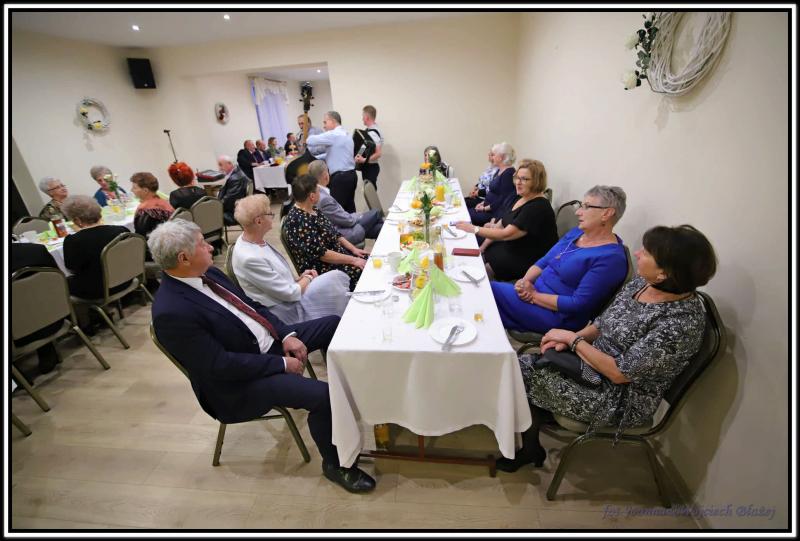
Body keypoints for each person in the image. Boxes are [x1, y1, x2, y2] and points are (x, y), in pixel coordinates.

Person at [148, 219, 376, 493]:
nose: (210, 247)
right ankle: (338, 466)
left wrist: (287, 335)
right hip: (239, 384)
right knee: (323, 397)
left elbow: (253, 307)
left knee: (333, 324)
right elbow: (219, 366)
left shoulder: (209, 274)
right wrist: (280, 363)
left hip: (265, 345)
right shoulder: (171, 312)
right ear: (184, 258)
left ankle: (357, 388)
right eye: (201, 244)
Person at [496, 225, 717, 472]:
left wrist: (573, 341)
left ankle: (529, 447)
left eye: (646, 253)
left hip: (619, 397)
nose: (637, 253)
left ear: (664, 273)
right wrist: (574, 338)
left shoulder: (680, 323)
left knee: (520, 374)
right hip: (590, 365)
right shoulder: (643, 285)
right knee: (518, 366)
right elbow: (602, 324)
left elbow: (620, 373)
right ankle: (530, 434)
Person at [491, 185, 629, 333]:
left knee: (488, 292)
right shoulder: (577, 233)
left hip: (558, 316)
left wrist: (534, 296)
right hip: (534, 294)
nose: (578, 212)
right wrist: (524, 282)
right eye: (581, 206)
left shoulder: (611, 259)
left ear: (607, 213)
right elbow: (545, 261)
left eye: (586, 207)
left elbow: (578, 304)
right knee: (488, 306)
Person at [232, 194, 350, 324]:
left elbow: (274, 278)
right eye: (270, 213)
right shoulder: (249, 258)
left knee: (336, 282)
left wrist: (297, 279)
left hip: (288, 295)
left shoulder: (253, 239)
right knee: (336, 279)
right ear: (259, 221)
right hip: (285, 311)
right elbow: (289, 294)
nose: (272, 216)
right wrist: (308, 278)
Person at [455, 159, 557, 281]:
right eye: (517, 178)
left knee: (484, 269)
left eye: (524, 179)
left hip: (527, 258)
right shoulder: (521, 198)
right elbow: (501, 224)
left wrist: (474, 229)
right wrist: (482, 247)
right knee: (476, 255)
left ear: (537, 181)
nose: (518, 182)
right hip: (512, 247)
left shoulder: (538, 207)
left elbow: (505, 234)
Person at [283, 174, 369, 291]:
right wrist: (353, 260)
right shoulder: (297, 221)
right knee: (365, 272)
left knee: (370, 259)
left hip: (337, 257)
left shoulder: (313, 209)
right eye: (318, 190)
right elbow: (323, 254)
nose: (320, 192)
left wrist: (353, 249)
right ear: (312, 196)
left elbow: (334, 233)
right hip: (324, 268)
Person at [61, 195, 131, 299]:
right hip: (127, 279)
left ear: (77, 220)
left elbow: (72, 268)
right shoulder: (121, 230)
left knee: (62, 282)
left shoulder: (74, 241)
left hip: (99, 290)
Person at [11, 242, 64, 378]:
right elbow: (59, 281)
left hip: (17, 338)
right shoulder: (36, 250)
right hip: (56, 318)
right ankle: (46, 349)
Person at [308, 160, 383, 246]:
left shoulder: (316, 193)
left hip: (343, 227)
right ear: (326, 176)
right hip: (345, 234)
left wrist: (358, 215)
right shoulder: (323, 199)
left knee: (379, 228)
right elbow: (348, 221)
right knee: (376, 212)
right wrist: (359, 216)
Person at [305, 111, 357, 213]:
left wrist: (308, 132)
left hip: (341, 179)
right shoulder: (345, 134)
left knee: (336, 212)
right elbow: (335, 154)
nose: (324, 126)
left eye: (325, 122)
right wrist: (317, 157)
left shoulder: (333, 134)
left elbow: (310, 140)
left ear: (332, 121)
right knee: (349, 208)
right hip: (351, 176)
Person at [468, 142, 517, 226]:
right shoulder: (500, 170)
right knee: (464, 212)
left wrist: (484, 208)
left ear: (501, 157)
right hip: (487, 208)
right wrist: (482, 203)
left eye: (493, 155)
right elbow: (492, 193)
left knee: (465, 215)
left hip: (493, 213)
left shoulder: (508, 173)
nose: (492, 157)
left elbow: (503, 200)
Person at [131, 172, 174, 240]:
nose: (131, 190)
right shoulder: (164, 202)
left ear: (145, 190)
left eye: (134, 188)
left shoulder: (144, 211)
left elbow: (141, 237)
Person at [217, 154, 251, 225]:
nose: (219, 168)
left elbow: (229, 202)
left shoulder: (236, 179)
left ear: (229, 164)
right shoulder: (236, 173)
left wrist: (215, 207)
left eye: (220, 165)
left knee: (206, 215)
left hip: (234, 213)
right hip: (238, 208)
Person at [355, 105, 383, 188]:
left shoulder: (373, 133)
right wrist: (358, 155)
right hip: (368, 167)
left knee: (370, 193)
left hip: (371, 168)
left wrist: (364, 160)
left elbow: (378, 153)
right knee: (369, 192)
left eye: (363, 116)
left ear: (367, 117)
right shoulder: (368, 131)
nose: (362, 119)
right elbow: (365, 145)